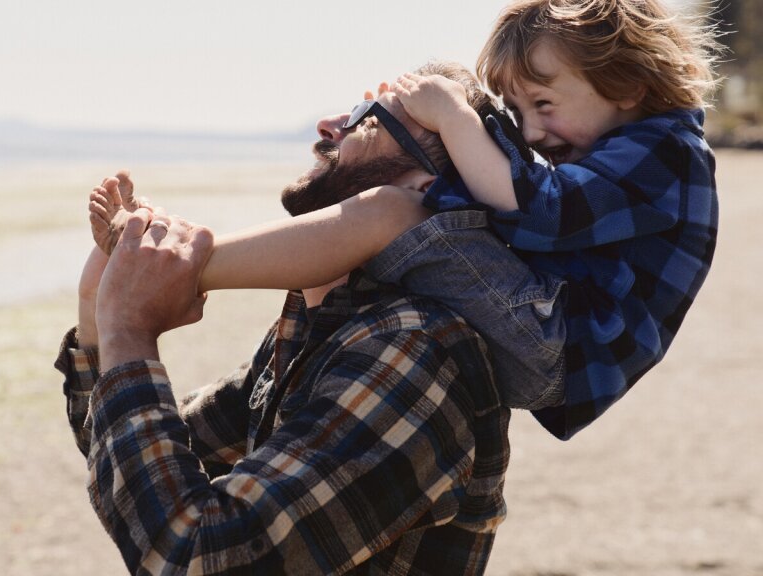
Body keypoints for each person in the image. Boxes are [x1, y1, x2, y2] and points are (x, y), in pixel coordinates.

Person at [91, 0, 722, 440]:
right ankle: (168, 264)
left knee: (389, 213)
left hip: (558, 343)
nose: (532, 131)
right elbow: (523, 209)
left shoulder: (665, 155)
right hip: (550, 333)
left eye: (545, 104)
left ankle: (176, 265)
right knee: (393, 218)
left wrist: (451, 115)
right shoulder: (631, 150)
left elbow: (540, 209)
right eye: (521, 111)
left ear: (628, 84)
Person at [57, 63, 511, 574]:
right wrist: (100, 306)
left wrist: (130, 328)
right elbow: (126, 458)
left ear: (421, 186)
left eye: (369, 119)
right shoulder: (321, 329)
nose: (327, 124)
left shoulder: (413, 348)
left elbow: (194, 555)